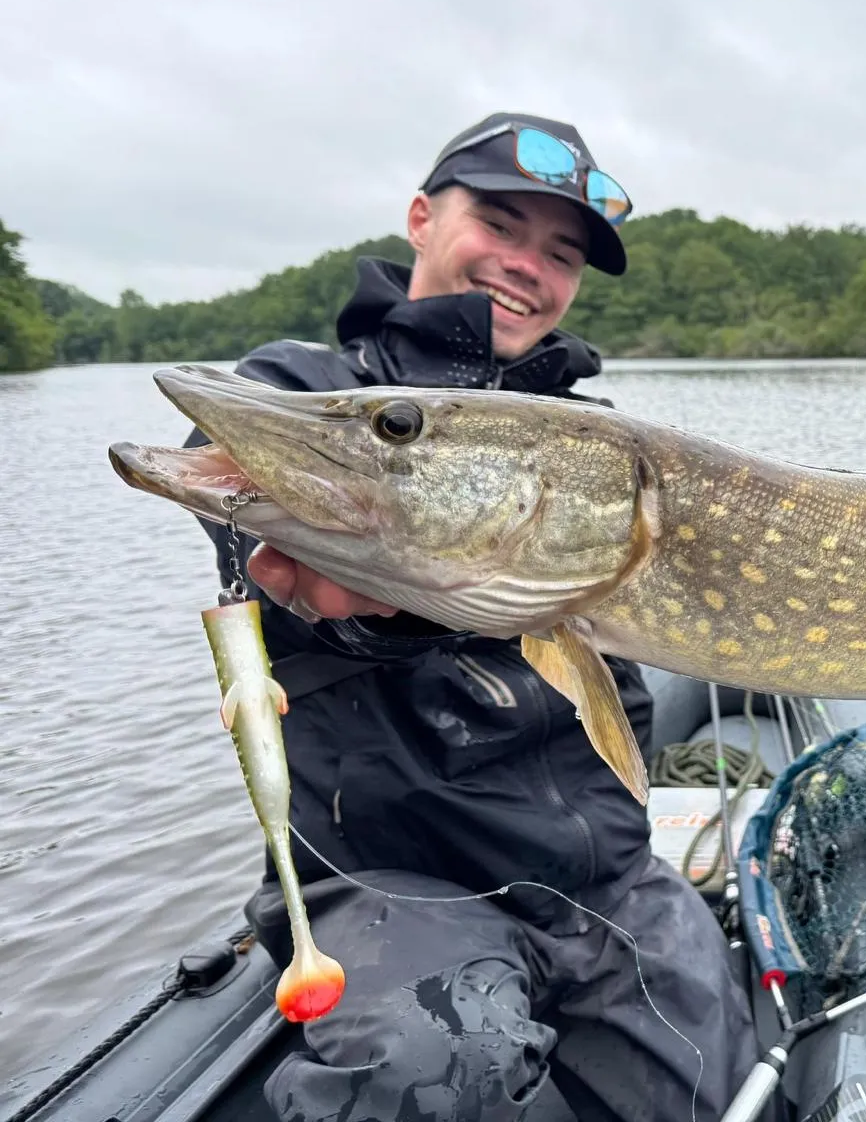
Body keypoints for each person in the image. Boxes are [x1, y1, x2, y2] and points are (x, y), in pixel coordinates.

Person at [186, 113, 762, 1122]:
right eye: (499, 223)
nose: (526, 266)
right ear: (420, 216)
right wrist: (383, 600)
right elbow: (256, 533)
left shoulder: (599, 443)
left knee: (714, 1081)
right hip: (387, 882)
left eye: (560, 254)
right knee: (425, 1068)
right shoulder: (301, 395)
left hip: (605, 880)